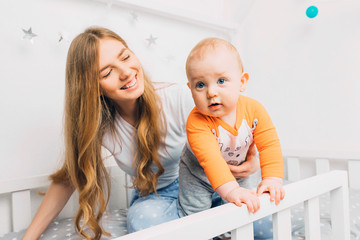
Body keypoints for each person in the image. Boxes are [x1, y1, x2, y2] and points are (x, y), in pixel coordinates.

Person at [22, 27, 261, 240]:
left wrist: (251, 163)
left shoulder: (176, 99)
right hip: (160, 197)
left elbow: (234, 127)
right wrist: (29, 237)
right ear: (92, 88)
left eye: (126, 57)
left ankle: (212, 226)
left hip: (208, 182)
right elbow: (68, 179)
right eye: (107, 73)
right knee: (143, 222)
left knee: (264, 225)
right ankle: (214, 229)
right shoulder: (103, 128)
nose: (126, 72)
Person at [177, 38, 285, 235]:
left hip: (237, 171)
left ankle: (228, 236)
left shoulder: (254, 110)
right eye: (200, 85)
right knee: (195, 218)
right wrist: (231, 191)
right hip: (197, 175)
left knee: (239, 210)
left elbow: (269, 145)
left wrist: (272, 178)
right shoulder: (197, 121)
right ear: (190, 89)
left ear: (242, 82)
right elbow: (211, 161)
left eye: (221, 81)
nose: (211, 92)